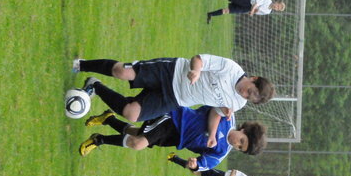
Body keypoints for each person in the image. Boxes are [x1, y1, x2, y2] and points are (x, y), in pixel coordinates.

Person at [72, 54, 275, 122]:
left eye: (249, 97)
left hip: (175, 99)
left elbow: (215, 111)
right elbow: (199, 59)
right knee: (122, 72)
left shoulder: (237, 103)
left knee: (131, 114)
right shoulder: (231, 68)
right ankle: (80, 64)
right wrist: (196, 71)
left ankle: (94, 86)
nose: (244, 94)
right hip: (172, 72)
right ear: (253, 78)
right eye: (249, 90)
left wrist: (221, 114)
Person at [79, 106, 267, 170]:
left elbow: (206, 163)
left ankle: (108, 118)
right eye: (242, 141)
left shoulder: (221, 151)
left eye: (240, 148)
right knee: (138, 143)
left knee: (136, 134)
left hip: (175, 139)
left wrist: (195, 164)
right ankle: (99, 139)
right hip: (174, 119)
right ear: (244, 129)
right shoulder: (227, 116)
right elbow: (212, 107)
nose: (236, 144)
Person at [206, 0, 285, 23]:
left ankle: (210, 14)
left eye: (278, 8)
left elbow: (256, 12)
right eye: (278, 5)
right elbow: (256, 4)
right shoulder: (268, 0)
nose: (276, 7)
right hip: (247, 1)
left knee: (227, 11)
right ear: (277, 2)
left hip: (246, 9)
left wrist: (251, 13)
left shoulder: (268, 12)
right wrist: (253, 10)